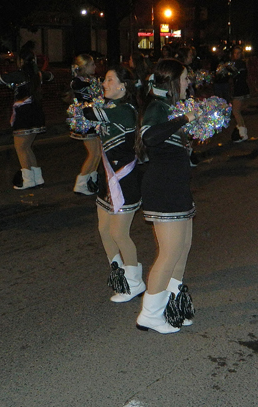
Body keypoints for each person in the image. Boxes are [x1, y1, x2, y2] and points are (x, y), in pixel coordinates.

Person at [137, 58, 198, 334]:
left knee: (182, 248)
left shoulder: (172, 107)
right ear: (172, 81)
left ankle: (172, 305)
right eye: (185, 78)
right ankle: (149, 314)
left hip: (178, 186)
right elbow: (149, 137)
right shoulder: (157, 107)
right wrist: (184, 119)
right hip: (163, 187)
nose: (189, 83)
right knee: (169, 251)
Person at [83, 66, 144, 302]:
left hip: (124, 179)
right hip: (108, 177)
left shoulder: (125, 111)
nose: (104, 83)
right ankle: (121, 277)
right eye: (104, 79)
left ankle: (135, 282)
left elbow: (88, 114)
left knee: (119, 233)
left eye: (109, 80)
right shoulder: (111, 107)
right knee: (104, 229)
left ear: (123, 86)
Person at [0, 45, 46, 189]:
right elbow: (50, 76)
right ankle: (38, 179)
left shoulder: (20, 74)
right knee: (27, 147)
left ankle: (28, 181)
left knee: (21, 148)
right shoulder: (38, 74)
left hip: (24, 115)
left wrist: (11, 80)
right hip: (37, 113)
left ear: (21, 61)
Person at [70, 54, 102, 195]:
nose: (95, 67)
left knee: (99, 152)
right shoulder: (78, 81)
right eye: (92, 64)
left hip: (95, 117)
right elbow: (86, 94)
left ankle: (91, 181)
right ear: (84, 66)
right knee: (93, 152)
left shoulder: (93, 80)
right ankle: (81, 183)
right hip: (85, 119)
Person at [228, 45, 250, 143]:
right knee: (237, 111)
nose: (236, 55)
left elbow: (238, 75)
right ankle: (242, 131)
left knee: (236, 111)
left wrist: (229, 70)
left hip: (240, 89)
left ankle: (243, 133)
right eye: (235, 53)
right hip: (239, 88)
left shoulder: (240, 63)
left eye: (238, 53)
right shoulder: (237, 63)